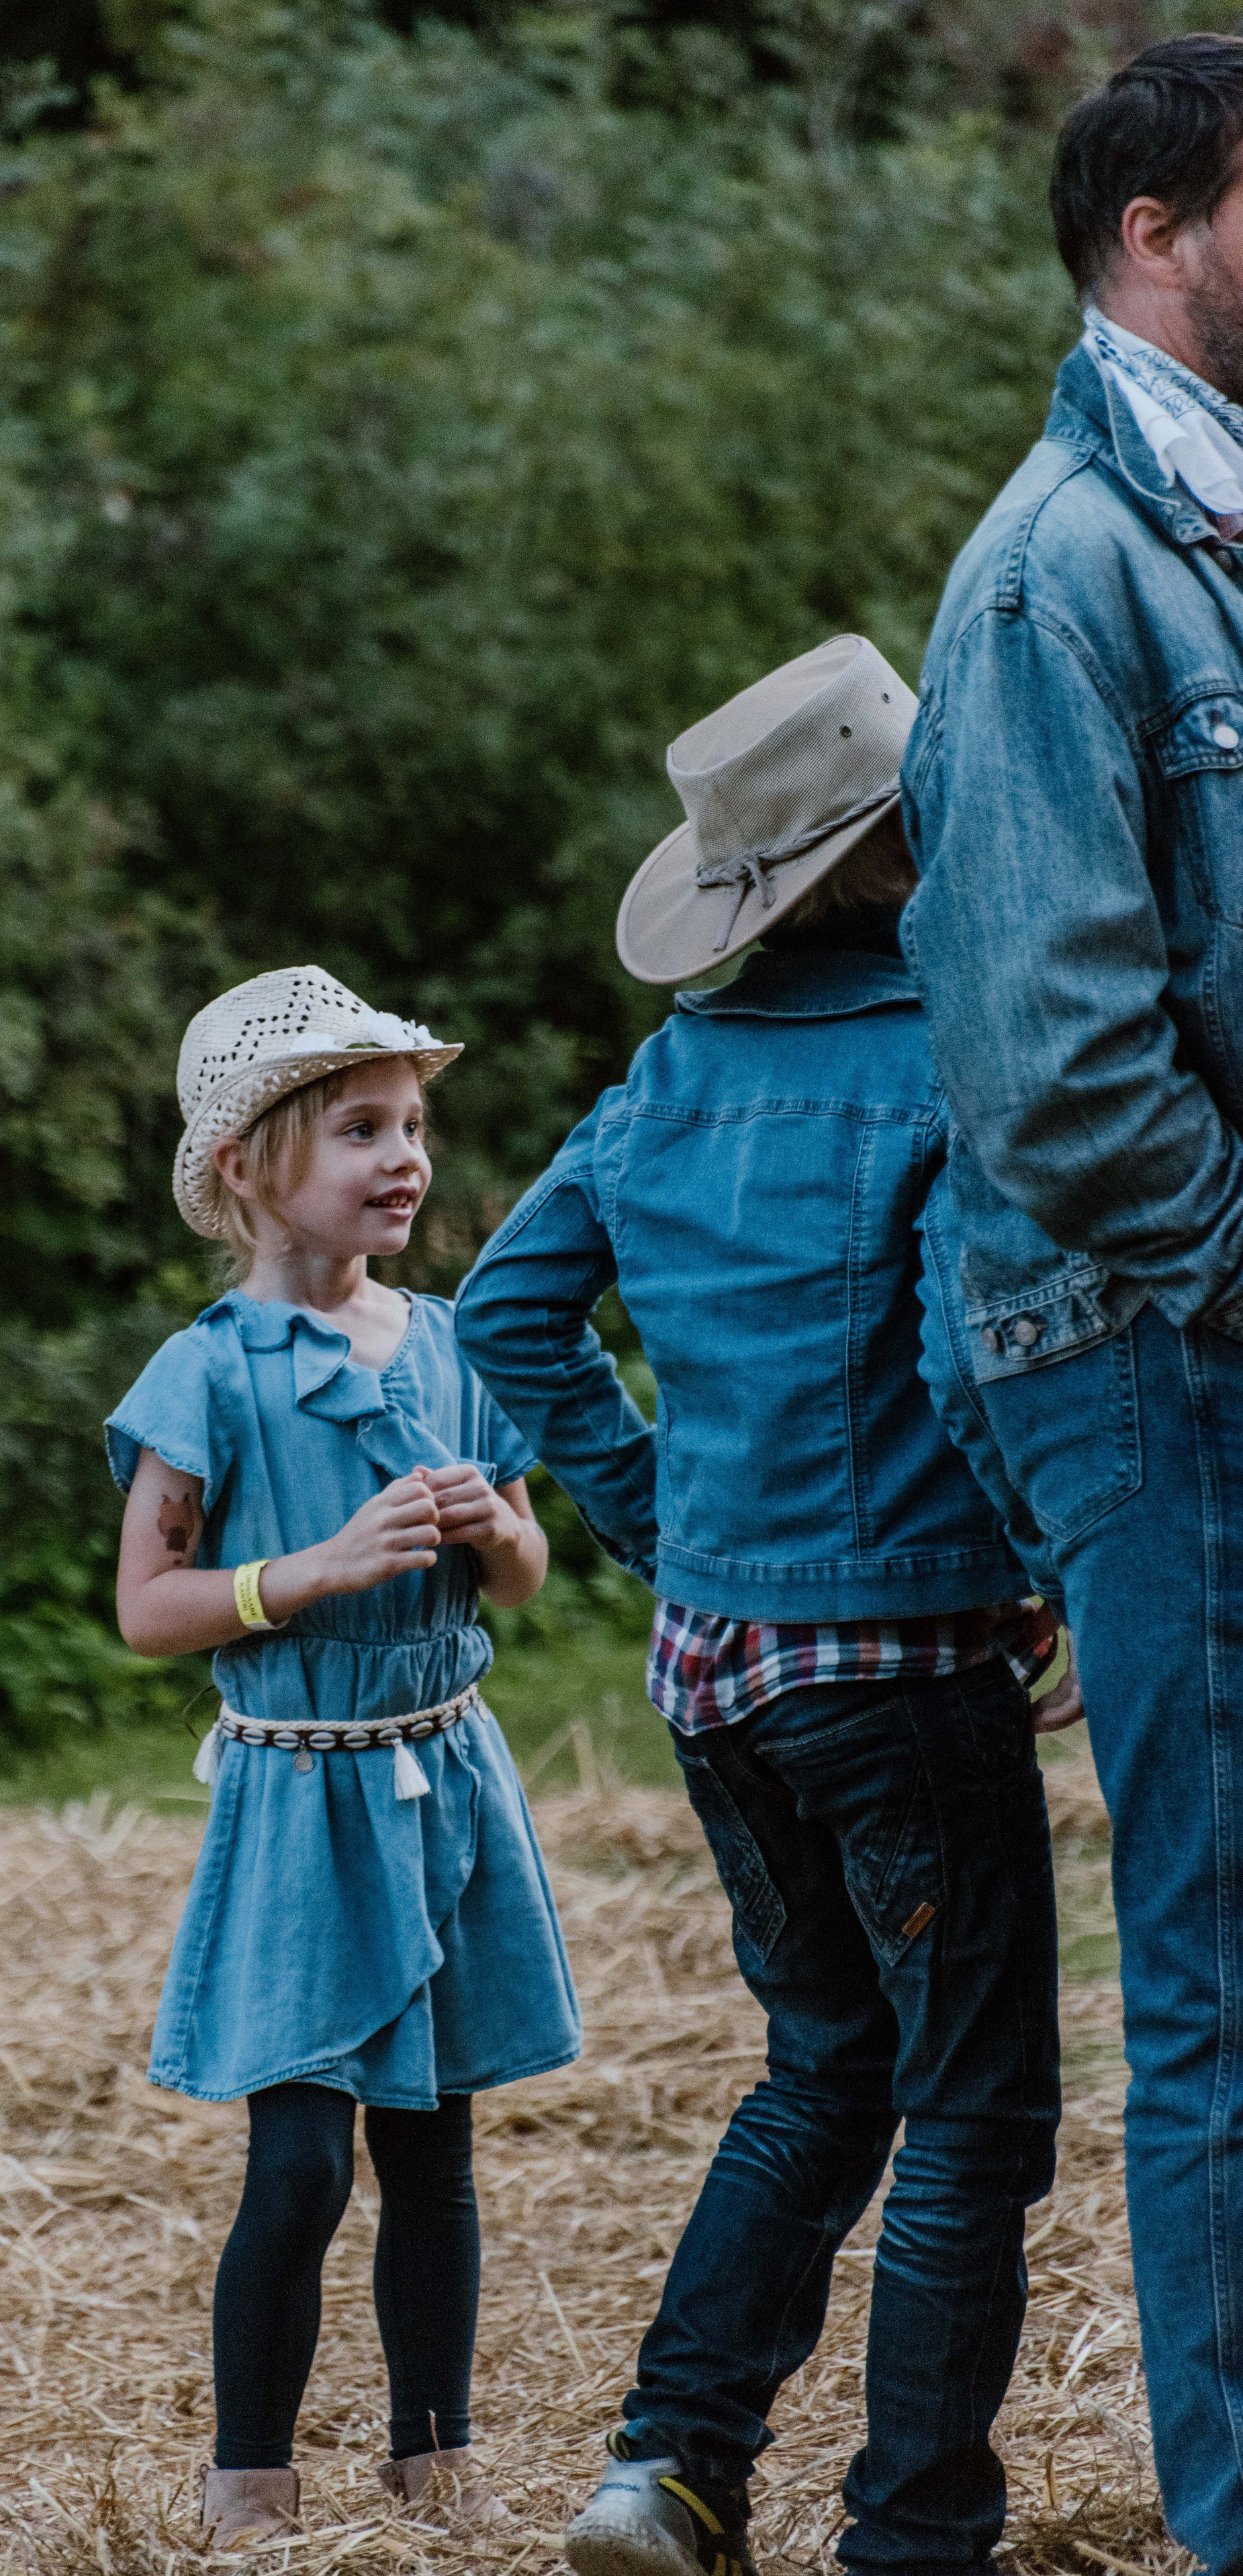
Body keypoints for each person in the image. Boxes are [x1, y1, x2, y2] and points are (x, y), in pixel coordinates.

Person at [454, 638, 1067, 2576]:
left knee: (826, 2061)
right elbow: (965, 1366)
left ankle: (670, 2466)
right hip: (902, 1661)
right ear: (914, 843)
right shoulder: (948, 1053)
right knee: (974, 2111)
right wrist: (1033, 1565)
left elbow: (506, 1316)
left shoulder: (678, 1066)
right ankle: (912, 2530)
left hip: (717, 1670)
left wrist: (660, 1521)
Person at [901, 36, 1243, 2564]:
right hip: (1162, 1349)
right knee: (1227, 1981)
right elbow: (1058, 1070)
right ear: (1160, 231)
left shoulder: (1218, 538)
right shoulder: (1056, 572)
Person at [104, 963, 582, 2551]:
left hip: (443, 1772)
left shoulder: (449, 1343)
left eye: (410, 1126)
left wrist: (493, 1527)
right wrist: (309, 1569)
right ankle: (249, 2475)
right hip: (301, 1792)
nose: (403, 1159)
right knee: (300, 2155)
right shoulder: (211, 1372)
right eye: (358, 1129)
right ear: (247, 1168)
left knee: (434, 2148)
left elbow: (517, 1578)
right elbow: (147, 1606)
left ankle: (431, 2463)